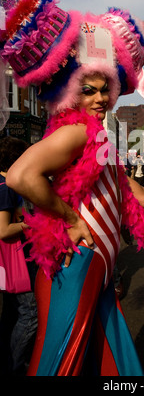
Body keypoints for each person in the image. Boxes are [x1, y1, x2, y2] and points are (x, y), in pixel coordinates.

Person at [0, 0, 144, 376]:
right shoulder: (77, 132)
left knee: (105, 358)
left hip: (99, 264)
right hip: (78, 261)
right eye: (89, 90)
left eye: (105, 89)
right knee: (60, 360)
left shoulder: (98, 138)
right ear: (70, 90)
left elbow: (134, 193)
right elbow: (20, 175)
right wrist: (70, 218)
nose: (100, 98)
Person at [0, 136, 38, 376]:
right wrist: (30, 225)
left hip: (9, 261)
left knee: (12, 311)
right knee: (30, 314)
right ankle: (15, 365)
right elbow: (3, 230)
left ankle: (6, 357)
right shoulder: (6, 189)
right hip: (16, 260)